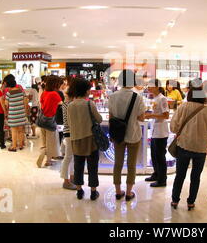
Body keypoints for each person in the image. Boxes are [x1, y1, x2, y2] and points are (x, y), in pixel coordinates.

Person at [170, 79, 207, 211]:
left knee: (180, 175)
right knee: (195, 177)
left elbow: (173, 127)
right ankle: (191, 202)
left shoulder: (183, 107)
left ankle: (175, 200)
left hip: (183, 145)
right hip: (200, 149)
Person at [108, 70, 146, 201]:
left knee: (117, 163)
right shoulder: (138, 97)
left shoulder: (112, 96)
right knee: (131, 164)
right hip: (133, 134)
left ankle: (118, 192)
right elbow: (141, 118)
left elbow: (111, 117)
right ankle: (129, 193)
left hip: (118, 135)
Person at [67, 78, 103, 200]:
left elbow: (69, 123)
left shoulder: (70, 105)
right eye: (89, 88)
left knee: (78, 166)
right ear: (85, 90)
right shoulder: (89, 104)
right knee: (93, 166)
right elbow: (99, 119)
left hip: (76, 139)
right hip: (90, 140)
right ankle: (93, 192)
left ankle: (79, 191)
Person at [144, 79, 170, 187]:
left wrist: (151, 116)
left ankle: (162, 180)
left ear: (157, 87)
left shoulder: (162, 99)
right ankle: (156, 174)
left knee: (160, 156)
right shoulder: (154, 98)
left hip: (161, 132)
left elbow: (166, 115)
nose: (148, 88)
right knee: (154, 155)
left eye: (150, 86)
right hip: (154, 131)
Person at [37, 75, 62, 167]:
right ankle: (48, 160)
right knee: (51, 141)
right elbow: (61, 104)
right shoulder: (55, 94)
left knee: (44, 141)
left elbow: (42, 105)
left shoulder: (44, 93)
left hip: (42, 119)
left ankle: (43, 150)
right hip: (51, 120)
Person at [4, 75, 29, 152]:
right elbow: (25, 101)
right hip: (21, 113)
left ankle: (14, 146)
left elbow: (6, 104)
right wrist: (24, 111)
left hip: (13, 114)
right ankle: (21, 145)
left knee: (14, 130)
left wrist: (7, 111)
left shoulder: (9, 93)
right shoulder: (21, 91)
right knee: (21, 130)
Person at [60, 85, 76, 191]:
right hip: (70, 132)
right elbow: (71, 120)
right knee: (68, 157)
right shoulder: (69, 104)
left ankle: (71, 177)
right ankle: (66, 181)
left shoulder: (65, 104)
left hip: (68, 132)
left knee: (71, 157)